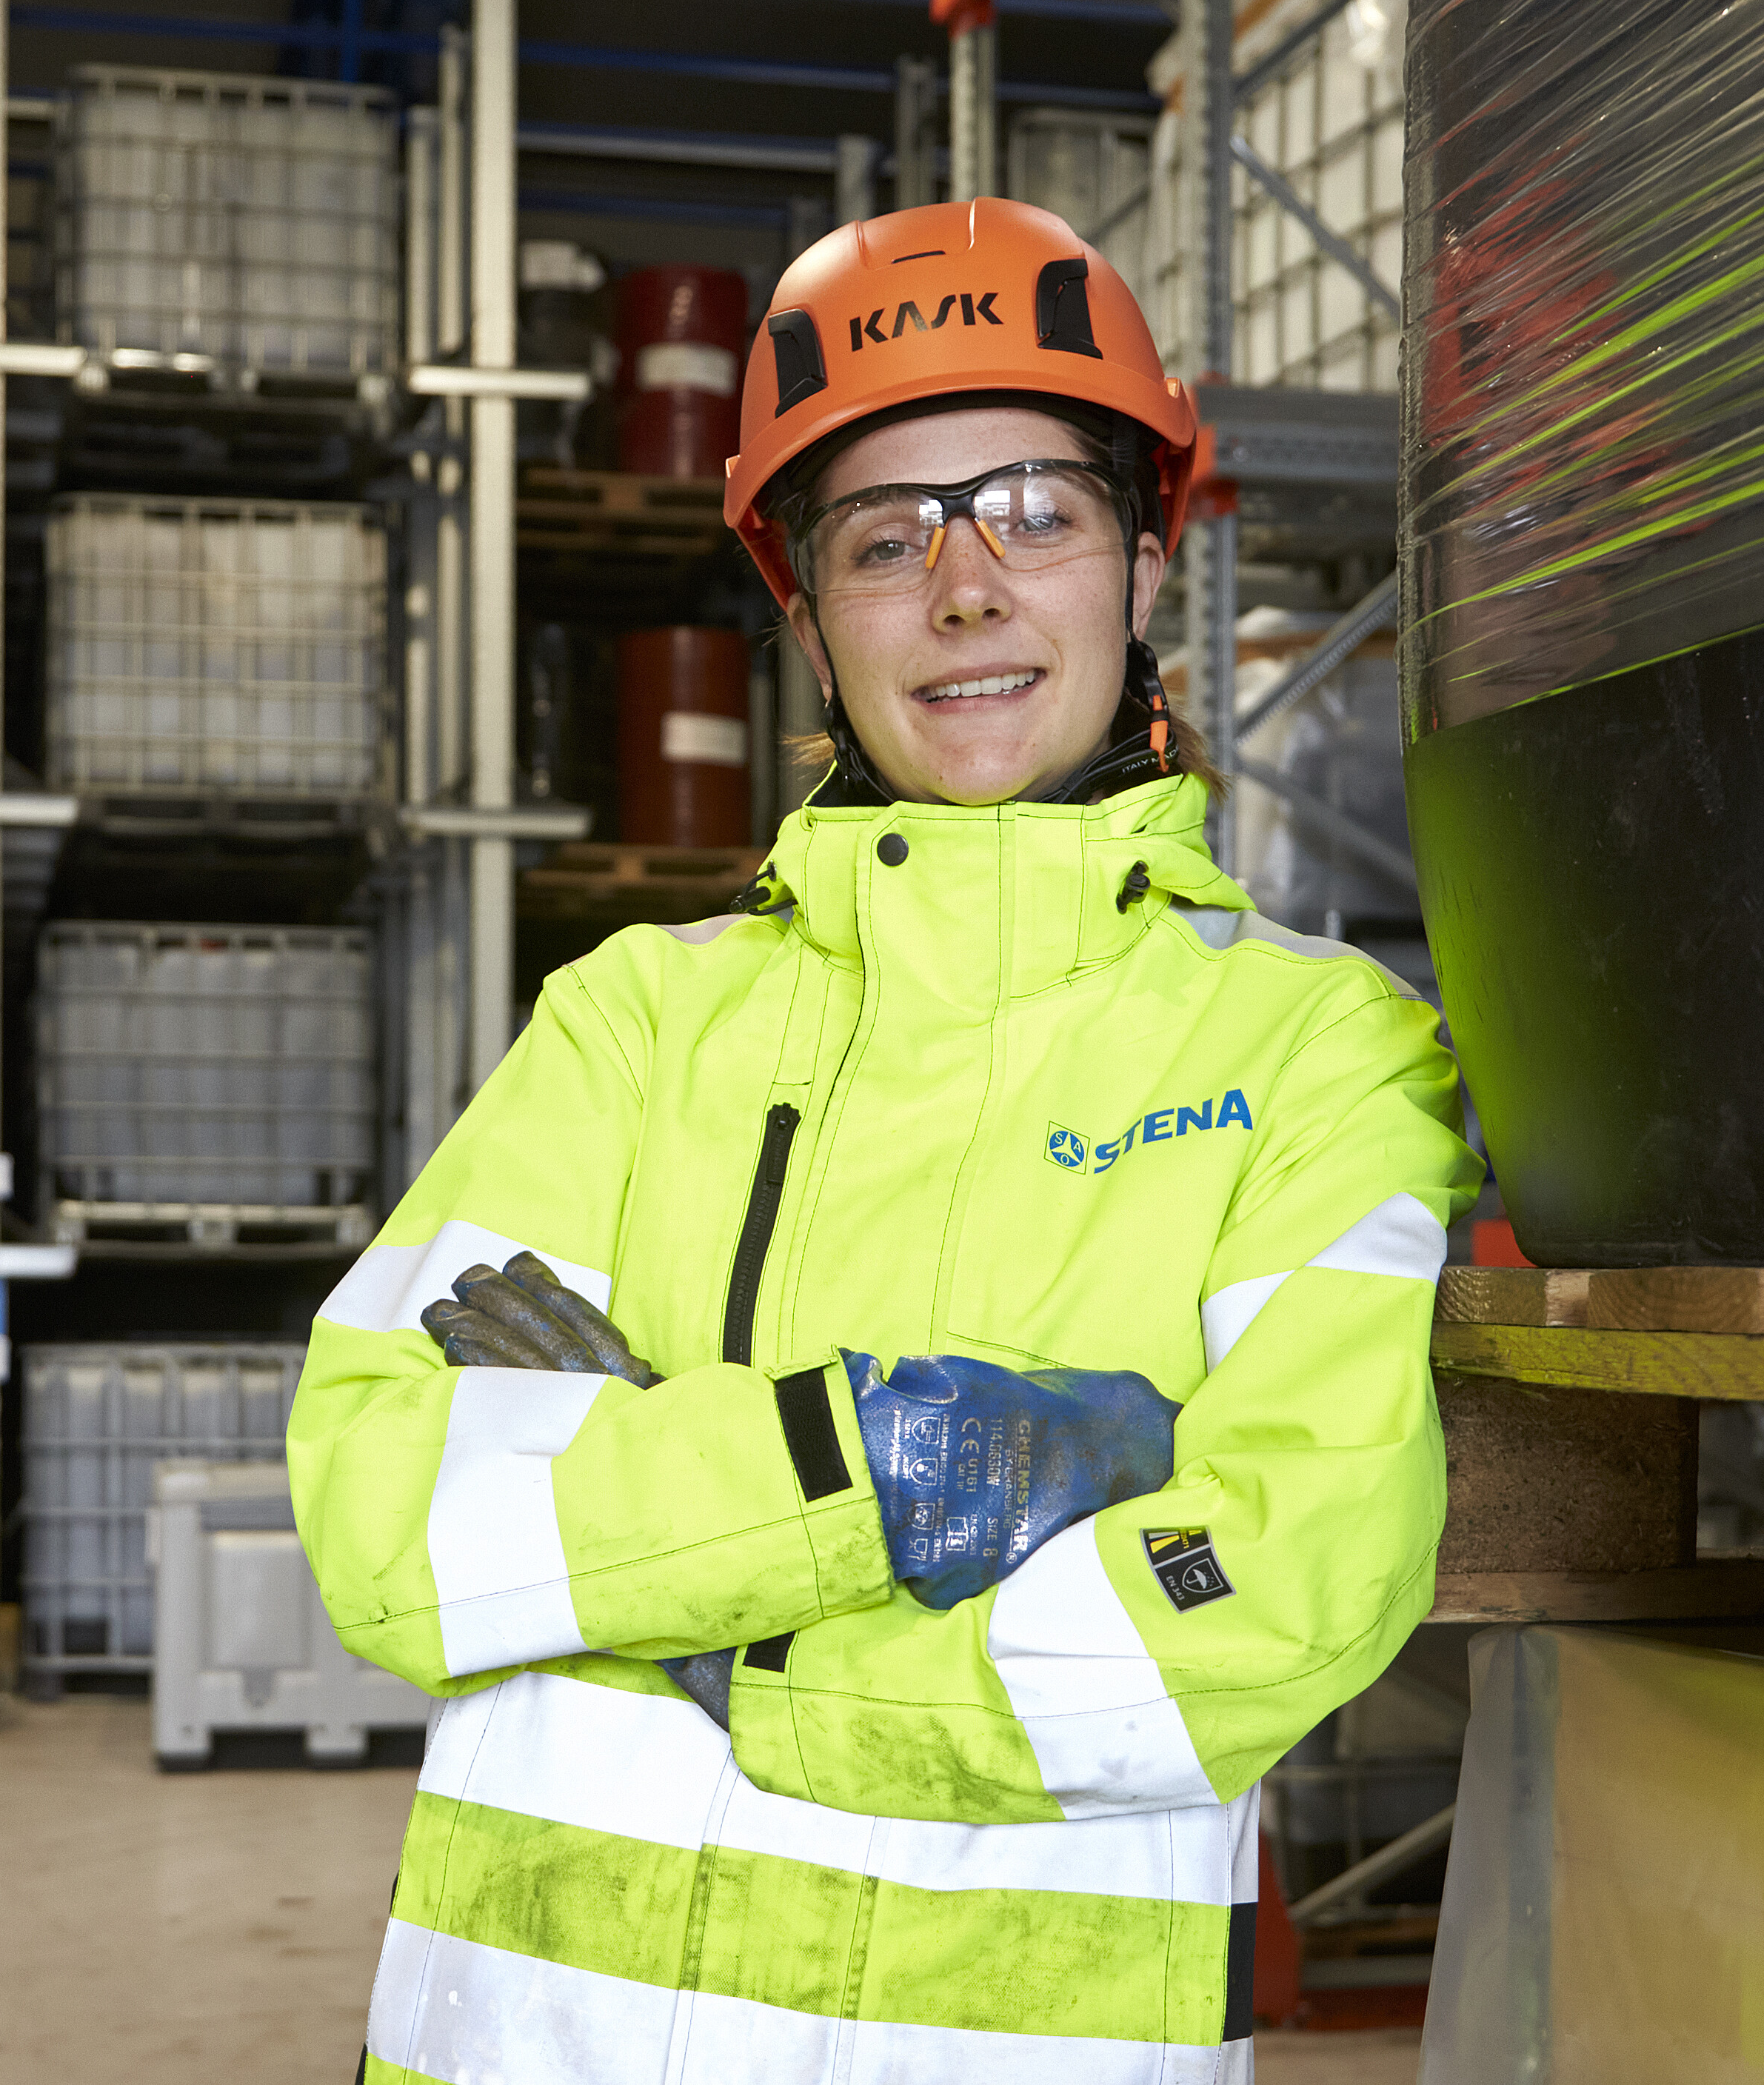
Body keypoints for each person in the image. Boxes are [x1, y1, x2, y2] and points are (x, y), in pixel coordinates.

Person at [292, 198, 1478, 2084]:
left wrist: (702, 1631)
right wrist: (880, 1466)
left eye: (1035, 511)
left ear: (1143, 566)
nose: (964, 589)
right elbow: (390, 1519)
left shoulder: (1319, 1049)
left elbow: (1276, 1586)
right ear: (808, 620)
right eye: (881, 537)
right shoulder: (635, 1019)